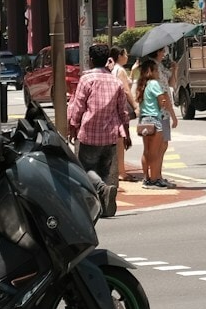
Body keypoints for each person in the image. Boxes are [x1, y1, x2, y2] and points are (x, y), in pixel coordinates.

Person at [68, 44, 135, 216]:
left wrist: (73, 127)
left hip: (89, 133)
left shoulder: (86, 79)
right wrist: (126, 133)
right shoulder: (116, 81)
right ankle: (105, 205)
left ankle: (101, 191)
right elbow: (123, 111)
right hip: (110, 135)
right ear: (107, 60)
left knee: (85, 169)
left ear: (90, 60)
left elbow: (78, 107)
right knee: (105, 171)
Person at [136, 54, 178, 189]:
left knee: (147, 151)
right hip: (155, 119)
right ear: (152, 71)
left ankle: (146, 178)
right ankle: (155, 179)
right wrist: (164, 104)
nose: (157, 73)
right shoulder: (154, 84)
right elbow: (162, 101)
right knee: (156, 152)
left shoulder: (142, 84)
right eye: (156, 71)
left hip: (144, 120)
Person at [110, 45, 138, 181]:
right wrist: (135, 106)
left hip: (111, 108)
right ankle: (121, 171)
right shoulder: (120, 70)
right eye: (125, 54)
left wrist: (132, 72)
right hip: (119, 108)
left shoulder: (111, 69)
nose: (127, 57)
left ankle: (117, 169)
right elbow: (126, 91)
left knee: (116, 139)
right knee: (120, 139)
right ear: (120, 56)